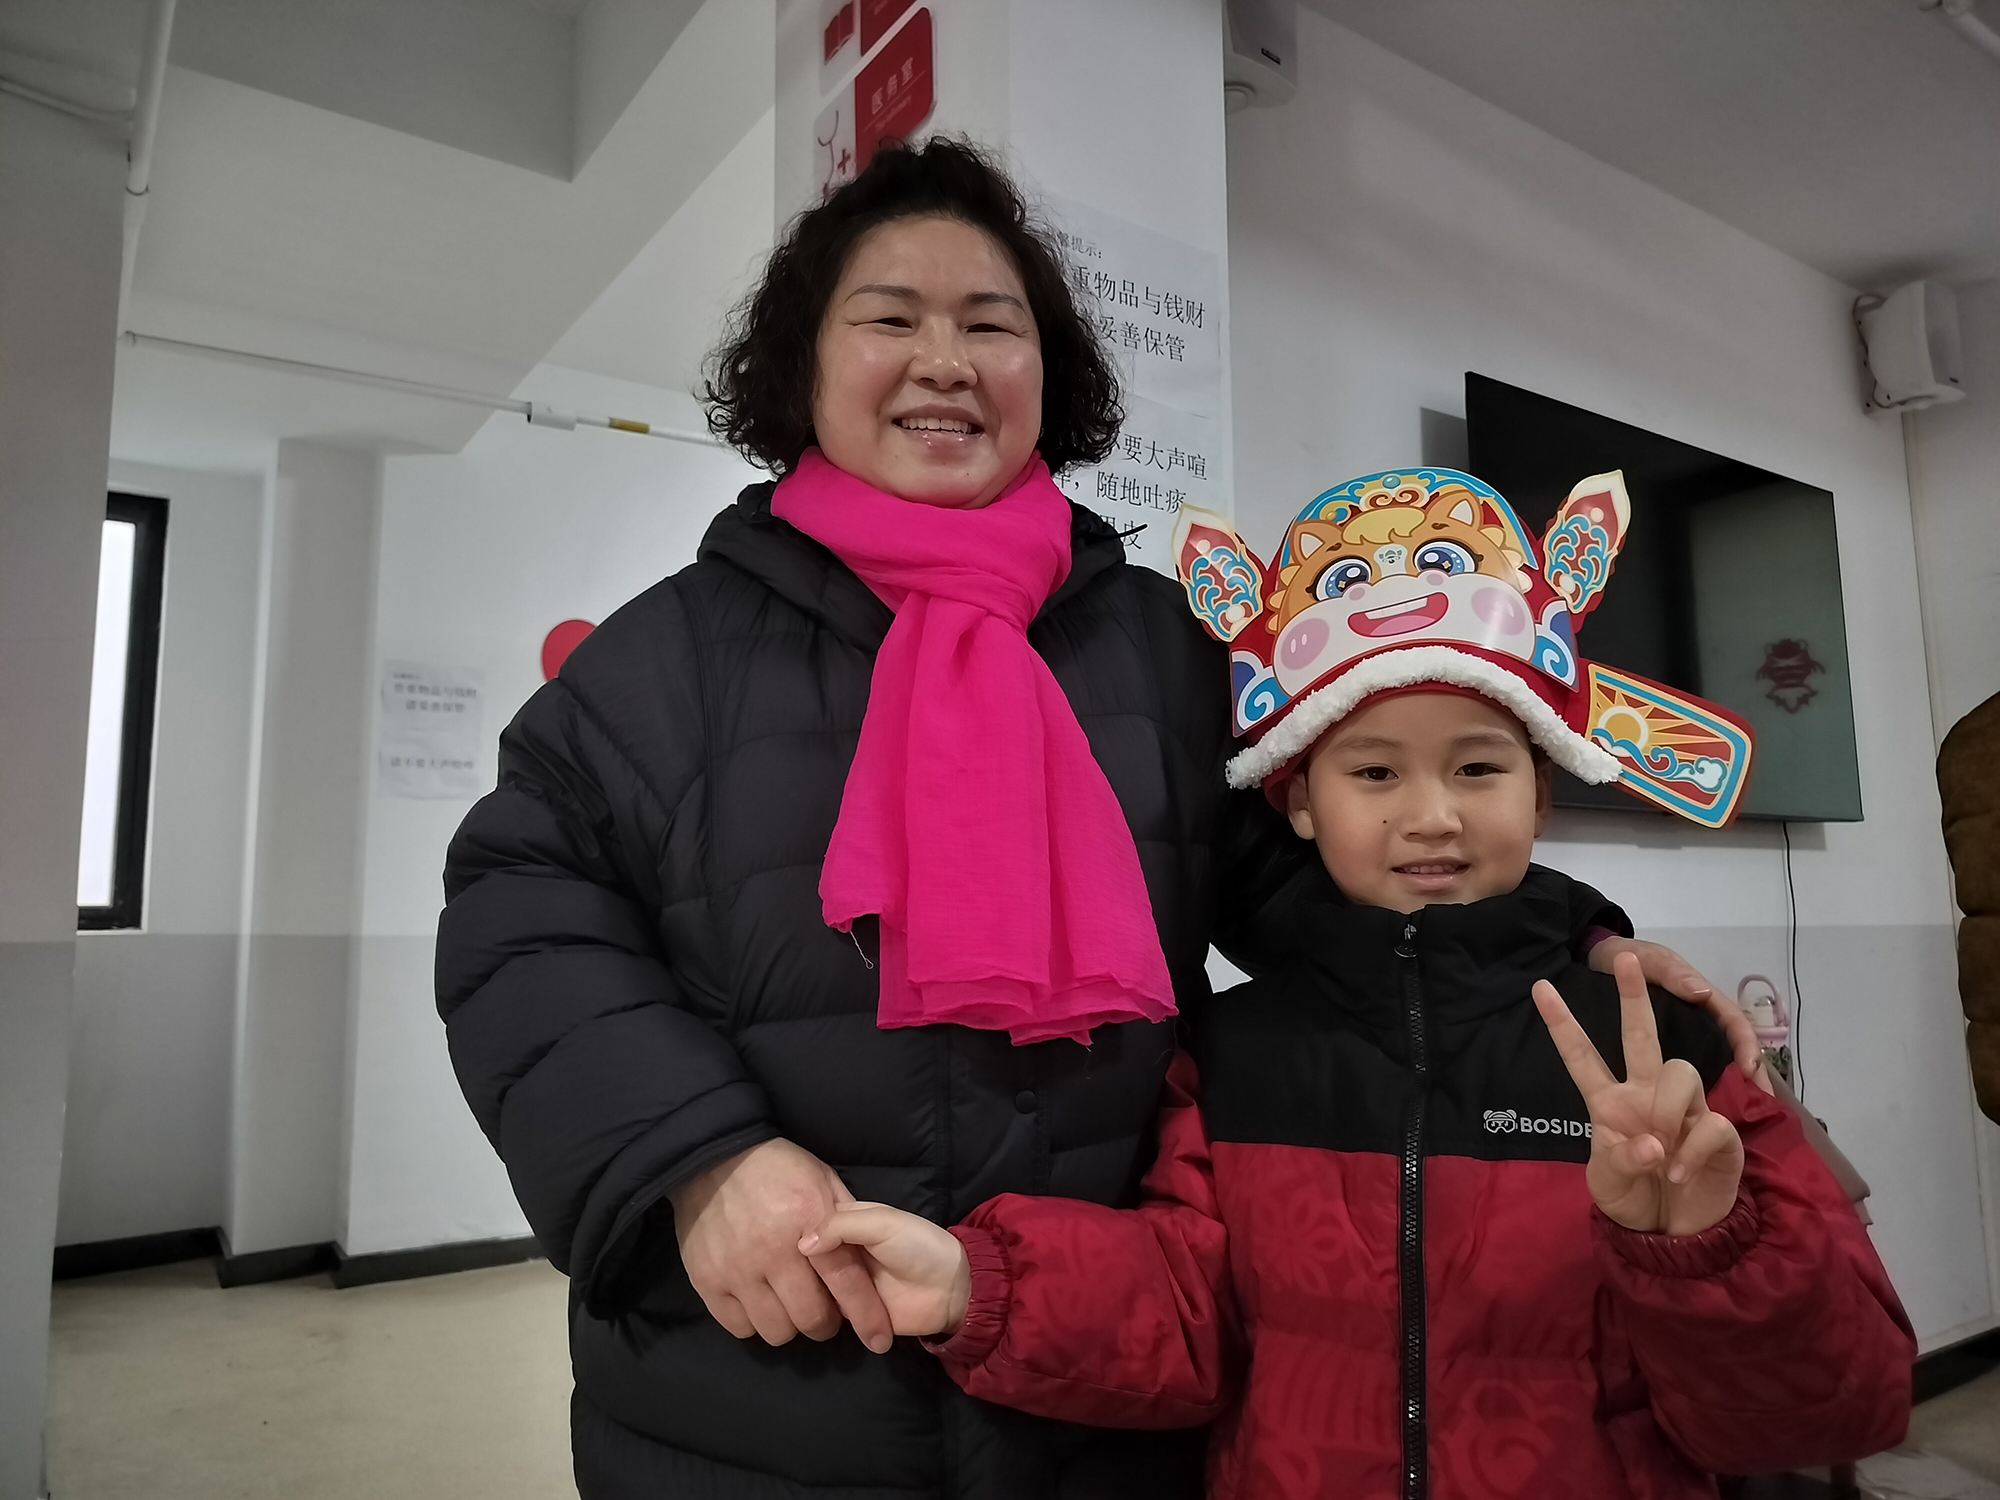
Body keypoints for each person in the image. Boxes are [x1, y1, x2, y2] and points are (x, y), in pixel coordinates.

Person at [434, 140, 1759, 1499]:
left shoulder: (1156, 648)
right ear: (802, 368)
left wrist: (1563, 948)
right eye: (889, 319)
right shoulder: (667, 660)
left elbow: (1326, 881)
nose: (944, 361)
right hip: (765, 1383)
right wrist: (694, 1158)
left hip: (1102, 1379)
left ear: (1046, 372)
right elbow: (518, 920)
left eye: (989, 325)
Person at [802, 472, 1915, 1499]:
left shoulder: (1660, 1047)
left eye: (1479, 767)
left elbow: (1841, 1406)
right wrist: (977, 1287)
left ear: (1541, 792)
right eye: (1373, 771)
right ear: (1296, 802)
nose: (1430, 816)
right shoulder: (1232, 1050)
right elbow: (1188, 1317)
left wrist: (1701, 1246)